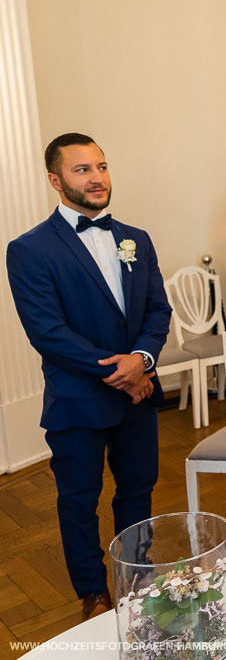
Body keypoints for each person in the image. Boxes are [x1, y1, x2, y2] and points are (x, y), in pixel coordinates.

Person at [5, 133, 172, 619]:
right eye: (82, 170)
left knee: (138, 490)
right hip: (78, 400)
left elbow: (157, 311)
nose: (97, 177)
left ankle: (138, 578)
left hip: (138, 397)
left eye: (102, 166)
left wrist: (142, 358)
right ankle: (93, 593)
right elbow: (48, 332)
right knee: (79, 500)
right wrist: (124, 371)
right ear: (56, 181)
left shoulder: (135, 239)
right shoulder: (30, 249)